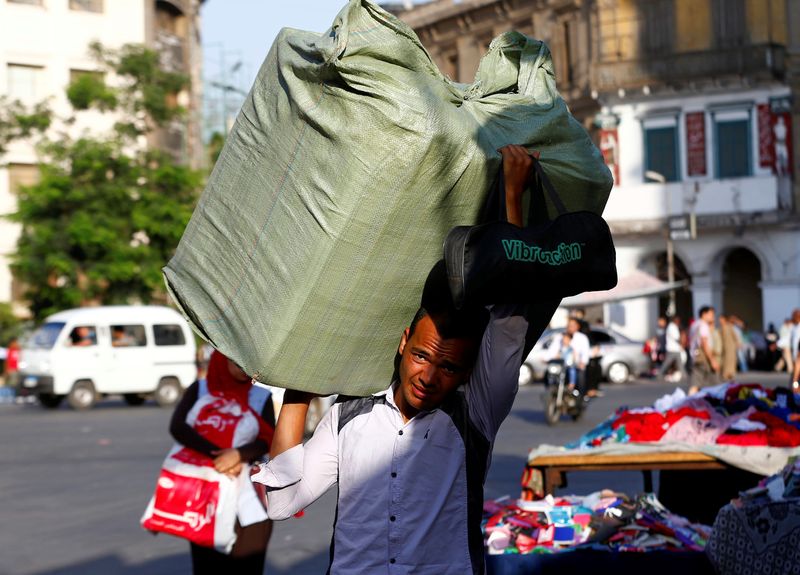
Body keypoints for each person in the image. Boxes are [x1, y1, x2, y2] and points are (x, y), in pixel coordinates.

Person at [252, 145, 547, 574]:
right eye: (422, 356)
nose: (428, 376)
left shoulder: (476, 416)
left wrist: (512, 198)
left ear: (467, 372)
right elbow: (282, 502)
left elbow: (509, 322)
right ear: (403, 342)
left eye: (448, 367)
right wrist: (300, 379)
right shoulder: (348, 416)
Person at [169, 350, 275, 574]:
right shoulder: (200, 390)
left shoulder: (260, 396)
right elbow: (178, 427)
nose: (242, 367)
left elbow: (268, 439)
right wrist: (218, 456)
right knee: (208, 564)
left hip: (248, 491)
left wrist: (238, 455)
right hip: (207, 491)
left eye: (247, 361)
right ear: (220, 359)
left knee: (249, 561)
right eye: (235, 361)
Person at [545, 317, 591, 393]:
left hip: (575, 365)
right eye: (569, 325)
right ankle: (552, 391)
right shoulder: (560, 337)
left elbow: (585, 353)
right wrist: (548, 358)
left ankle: (578, 393)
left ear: (577, 326)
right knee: (549, 373)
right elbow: (552, 350)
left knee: (578, 374)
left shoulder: (582, 338)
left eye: (573, 325)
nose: (570, 327)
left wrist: (583, 362)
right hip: (561, 366)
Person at [688, 306, 719, 394]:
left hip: (695, 355)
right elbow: (704, 343)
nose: (713, 317)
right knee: (696, 384)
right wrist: (712, 360)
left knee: (699, 383)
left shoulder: (695, 324)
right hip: (702, 357)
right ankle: (689, 402)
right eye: (711, 314)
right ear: (704, 314)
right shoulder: (703, 325)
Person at [658, 316, 685, 382]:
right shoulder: (672, 327)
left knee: (679, 363)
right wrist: (681, 343)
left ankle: (684, 375)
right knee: (667, 363)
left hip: (675, 348)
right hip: (672, 348)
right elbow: (676, 337)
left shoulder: (672, 327)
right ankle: (660, 374)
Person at [719, 314, 739, 381]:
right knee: (725, 361)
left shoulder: (729, 327)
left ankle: (730, 376)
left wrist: (737, 343)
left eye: (721, 319)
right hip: (724, 348)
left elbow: (735, 336)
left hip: (731, 347)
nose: (720, 320)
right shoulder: (721, 328)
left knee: (730, 362)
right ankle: (726, 376)